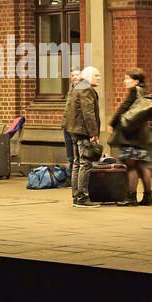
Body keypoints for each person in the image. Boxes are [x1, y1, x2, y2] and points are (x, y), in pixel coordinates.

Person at [109, 68, 152, 206]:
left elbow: (123, 108)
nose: (124, 81)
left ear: (136, 81)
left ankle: (131, 197)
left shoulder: (135, 92)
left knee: (131, 166)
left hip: (131, 134)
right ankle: (148, 197)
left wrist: (112, 123)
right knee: (142, 165)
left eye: (127, 79)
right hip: (142, 134)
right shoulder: (146, 93)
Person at [64, 66, 101, 208]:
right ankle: (82, 198)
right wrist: (93, 133)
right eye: (96, 75)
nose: (99, 78)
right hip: (83, 131)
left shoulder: (77, 87)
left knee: (77, 163)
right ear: (88, 76)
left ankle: (76, 196)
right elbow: (88, 113)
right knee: (85, 163)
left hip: (74, 130)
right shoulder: (86, 89)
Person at [61, 66, 82, 176]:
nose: (74, 77)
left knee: (76, 154)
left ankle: (75, 177)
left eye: (77, 75)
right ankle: (70, 176)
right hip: (67, 125)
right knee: (69, 153)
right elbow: (68, 108)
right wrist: (64, 123)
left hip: (76, 126)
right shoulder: (71, 89)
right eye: (73, 75)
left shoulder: (83, 90)